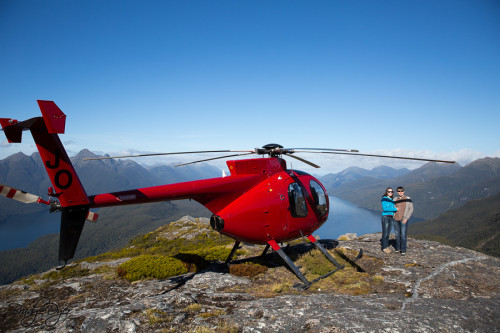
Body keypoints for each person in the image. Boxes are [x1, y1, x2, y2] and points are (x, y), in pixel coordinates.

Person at [393, 186, 414, 255]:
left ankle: (403, 249)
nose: (400, 192)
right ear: (397, 192)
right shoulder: (395, 199)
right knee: (396, 235)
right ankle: (397, 248)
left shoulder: (408, 199)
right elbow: (392, 208)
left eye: (401, 191)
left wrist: (406, 218)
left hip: (403, 219)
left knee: (403, 235)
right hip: (396, 219)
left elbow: (411, 209)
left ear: (404, 191)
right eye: (399, 191)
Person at [381, 187, 397, 254]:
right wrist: (396, 209)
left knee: (388, 233)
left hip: (391, 217)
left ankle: (386, 246)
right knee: (385, 233)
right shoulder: (384, 199)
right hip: (386, 217)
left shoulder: (392, 199)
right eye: (389, 191)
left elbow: (391, 208)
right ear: (386, 192)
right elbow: (385, 208)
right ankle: (384, 247)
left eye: (391, 191)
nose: (390, 193)